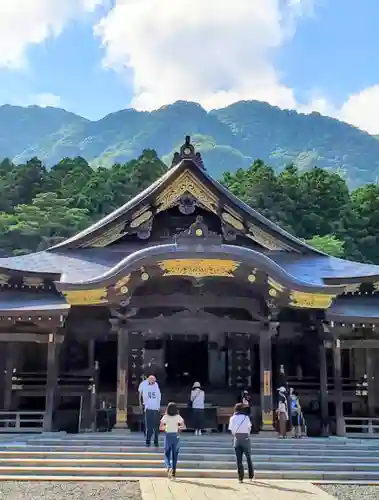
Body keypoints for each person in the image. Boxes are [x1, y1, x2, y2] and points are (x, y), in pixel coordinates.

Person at [228, 403, 254, 483]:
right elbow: (249, 427)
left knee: (239, 460)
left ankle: (240, 478)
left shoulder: (232, 418)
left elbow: (231, 429)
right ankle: (250, 476)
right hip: (245, 437)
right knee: (248, 457)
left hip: (237, 438)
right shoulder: (246, 417)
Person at [160, 402, 186, 480]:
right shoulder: (178, 417)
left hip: (168, 436)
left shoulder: (165, 417)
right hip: (176, 436)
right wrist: (178, 427)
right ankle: (174, 473)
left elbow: (160, 427)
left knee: (167, 453)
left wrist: (166, 427)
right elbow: (184, 427)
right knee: (175, 455)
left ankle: (168, 467)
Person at [140, 375, 161, 447]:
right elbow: (144, 397)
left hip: (155, 409)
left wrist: (158, 407)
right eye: (150, 379)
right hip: (148, 408)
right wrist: (146, 405)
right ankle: (148, 441)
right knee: (149, 427)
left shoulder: (156, 386)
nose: (152, 380)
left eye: (153, 379)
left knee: (156, 427)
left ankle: (156, 442)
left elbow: (159, 397)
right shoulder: (146, 387)